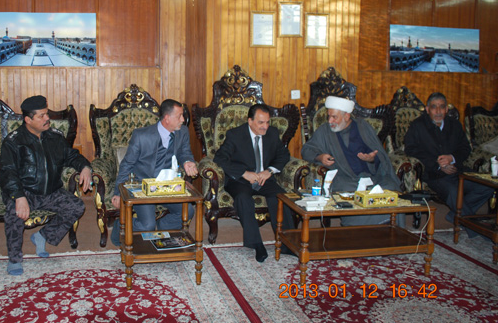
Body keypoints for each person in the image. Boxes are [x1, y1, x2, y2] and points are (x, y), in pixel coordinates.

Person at [0, 95, 93, 275]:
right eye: (41, 116)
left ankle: (42, 236)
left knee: (77, 206)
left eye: (46, 114)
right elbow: (7, 172)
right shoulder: (14, 141)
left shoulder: (55, 137)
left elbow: (71, 156)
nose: (47, 118)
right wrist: (19, 197)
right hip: (25, 192)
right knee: (13, 213)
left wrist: (85, 167)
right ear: (28, 120)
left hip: (51, 191)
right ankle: (14, 259)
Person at [301, 96, 402, 226]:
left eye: (334, 117)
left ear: (346, 116)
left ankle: (389, 226)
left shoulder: (363, 127)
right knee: (347, 193)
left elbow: (380, 156)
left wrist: (371, 159)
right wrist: (320, 157)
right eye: (329, 116)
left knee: (391, 188)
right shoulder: (325, 131)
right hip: (346, 178)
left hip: (372, 177)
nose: (330, 120)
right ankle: (355, 228)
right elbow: (307, 150)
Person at [213, 104, 296, 262]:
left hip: (264, 178)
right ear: (250, 121)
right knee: (243, 198)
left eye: (267, 122)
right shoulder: (235, 135)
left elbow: (284, 155)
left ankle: (287, 243)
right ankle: (257, 244)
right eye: (261, 122)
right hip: (240, 180)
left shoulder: (272, 133)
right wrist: (244, 173)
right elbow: (220, 158)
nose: (265, 126)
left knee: (280, 197)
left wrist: (269, 170)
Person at [111, 99, 198, 246]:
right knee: (147, 225)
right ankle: (120, 226)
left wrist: (188, 161)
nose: (183, 120)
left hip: (168, 185)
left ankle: (161, 228)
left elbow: (185, 153)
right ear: (167, 118)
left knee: (188, 211)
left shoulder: (182, 132)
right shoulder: (141, 136)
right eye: (179, 116)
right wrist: (118, 193)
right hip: (143, 185)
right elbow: (127, 164)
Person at [404, 92, 493, 235]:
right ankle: (476, 228)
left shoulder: (454, 125)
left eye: (442, 107)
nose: (438, 111)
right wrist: (438, 163)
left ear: (446, 109)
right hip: (435, 174)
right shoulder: (418, 125)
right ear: (427, 109)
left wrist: (452, 158)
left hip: (458, 170)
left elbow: (465, 148)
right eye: (434, 107)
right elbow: (411, 149)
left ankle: (456, 215)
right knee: (453, 192)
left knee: (486, 186)